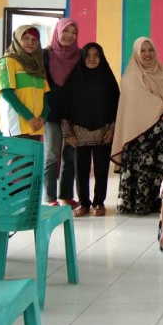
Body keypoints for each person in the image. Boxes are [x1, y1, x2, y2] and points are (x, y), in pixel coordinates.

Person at [112, 37, 163, 215]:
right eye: (142, 50)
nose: (147, 54)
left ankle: (162, 204)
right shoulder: (130, 77)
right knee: (142, 167)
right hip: (140, 135)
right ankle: (139, 204)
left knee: (162, 167)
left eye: (150, 50)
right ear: (136, 53)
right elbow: (141, 99)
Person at [60, 42, 120, 217]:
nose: (92, 59)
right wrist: (67, 133)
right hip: (79, 133)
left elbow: (116, 107)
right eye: (88, 55)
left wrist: (112, 129)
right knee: (81, 170)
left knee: (101, 170)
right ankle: (83, 203)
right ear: (82, 57)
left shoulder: (108, 79)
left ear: (101, 58)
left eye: (96, 55)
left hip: (103, 132)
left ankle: (99, 202)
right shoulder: (74, 79)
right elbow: (64, 107)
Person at [43, 18, 81, 207]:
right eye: (66, 31)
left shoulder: (79, 56)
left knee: (70, 156)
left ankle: (65, 195)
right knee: (51, 155)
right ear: (58, 32)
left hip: (74, 113)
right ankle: (49, 198)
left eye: (74, 32)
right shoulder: (45, 55)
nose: (69, 36)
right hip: (52, 112)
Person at [0, 25, 49, 139]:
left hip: (36, 127)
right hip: (16, 127)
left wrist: (43, 117)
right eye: (25, 38)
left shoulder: (38, 65)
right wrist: (29, 118)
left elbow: (44, 94)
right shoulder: (6, 62)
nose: (30, 42)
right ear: (17, 40)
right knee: (16, 152)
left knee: (33, 152)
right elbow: (7, 93)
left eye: (34, 39)